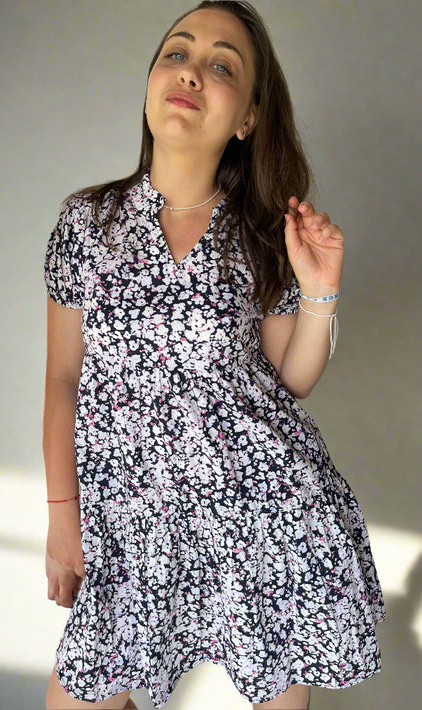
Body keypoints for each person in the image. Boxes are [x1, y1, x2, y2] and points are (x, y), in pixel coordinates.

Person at [42, 2, 387, 708]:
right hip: (132, 522)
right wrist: (61, 516)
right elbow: (62, 378)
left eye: (221, 65)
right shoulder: (88, 222)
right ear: (149, 83)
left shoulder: (262, 234)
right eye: (177, 53)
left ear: (248, 118)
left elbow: (290, 382)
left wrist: (319, 289)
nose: (191, 72)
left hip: (260, 513)